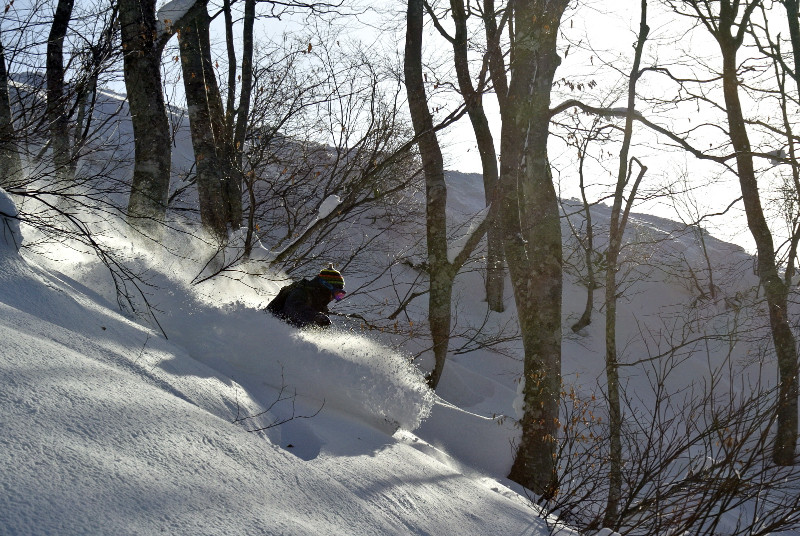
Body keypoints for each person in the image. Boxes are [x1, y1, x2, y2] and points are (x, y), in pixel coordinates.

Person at [266, 264, 346, 328]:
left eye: (340, 295)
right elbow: (295, 309)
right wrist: (315, 317)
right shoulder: (300, 292)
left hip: (289, 337)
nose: (335, 298)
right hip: (270, 329)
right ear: (326, 287)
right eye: (336, 294)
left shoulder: (321, 307)